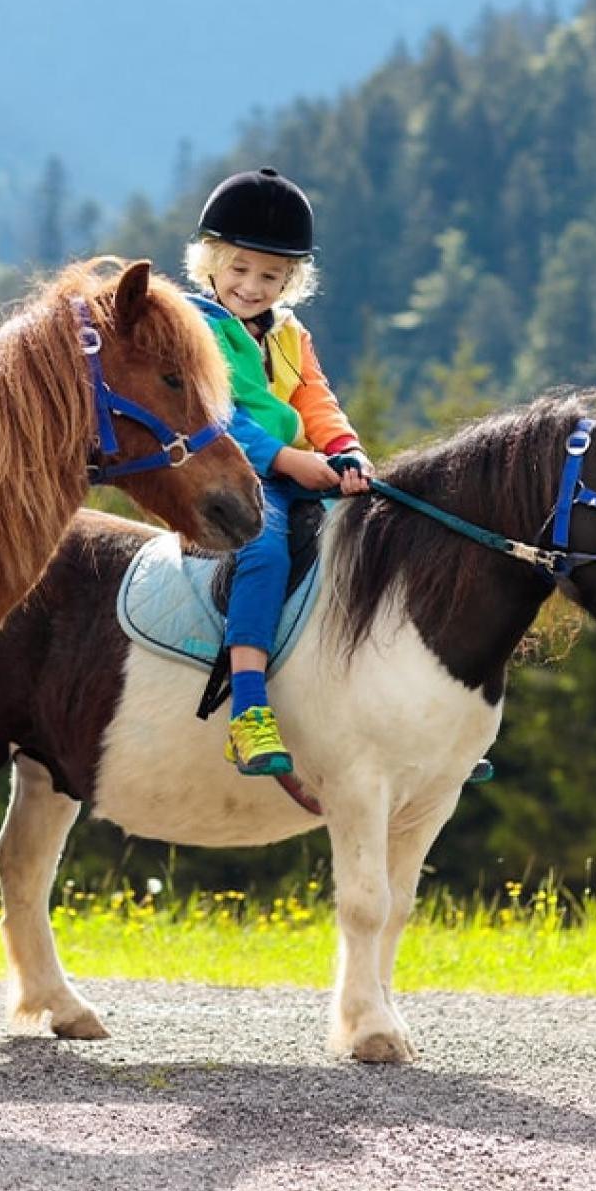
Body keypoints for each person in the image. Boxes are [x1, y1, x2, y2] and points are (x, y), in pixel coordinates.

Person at [186, 169, 372, 777]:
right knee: (263, 552)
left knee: (374, 540)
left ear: (291, 280)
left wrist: (345, 450)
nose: (251, 286)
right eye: (239, 269)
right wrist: (288, 460)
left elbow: (314, 396)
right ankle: (248, 711)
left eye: (270, 276)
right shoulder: (194, 329)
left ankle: (383, 707)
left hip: (299, 466)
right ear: (210, 262)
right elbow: (217, 416)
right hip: (228, 470)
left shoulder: (290, 333)